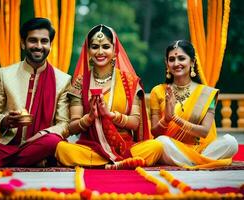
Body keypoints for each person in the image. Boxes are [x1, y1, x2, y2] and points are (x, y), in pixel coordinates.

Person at [0, 18, 71, 167]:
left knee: (53, 141)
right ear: (23, 43)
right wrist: (5, 121)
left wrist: (42, 134)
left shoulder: (63, 79)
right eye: (33, 40)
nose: (39, 46)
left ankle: (11, 160)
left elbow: (64, 124)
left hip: (42, 144)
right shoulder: (5, 75)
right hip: (10, 145)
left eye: (44, 41)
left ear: (50, 45)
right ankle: (34, 161)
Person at [55, 24, 163, 169]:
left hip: (124, 146)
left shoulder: (129, 82)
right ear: (88, 50)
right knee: (62, 149)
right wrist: (90, 118)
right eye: (94, 47)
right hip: (92, 147)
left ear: (115, 50)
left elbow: (135, 122)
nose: (100, 52)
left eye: (106, 47)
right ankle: (120, 164)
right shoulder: (80, 83)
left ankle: (105, 164)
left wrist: (111, 115)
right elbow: (72, 127)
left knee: (155, 146)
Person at [150, 40, 238, 169]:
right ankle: (203, 162)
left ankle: (192, 162)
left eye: (181, 58)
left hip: (203, 149)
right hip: (174, 147)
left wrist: (175, 118)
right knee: (160, 142)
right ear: (166, 63)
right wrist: (166, 120)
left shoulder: (207, 93)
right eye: (172, 59)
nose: (176, 63)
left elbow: (204, 132)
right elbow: (155, 133)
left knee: (231, 142)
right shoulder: (158, 91)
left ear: (192, 61)